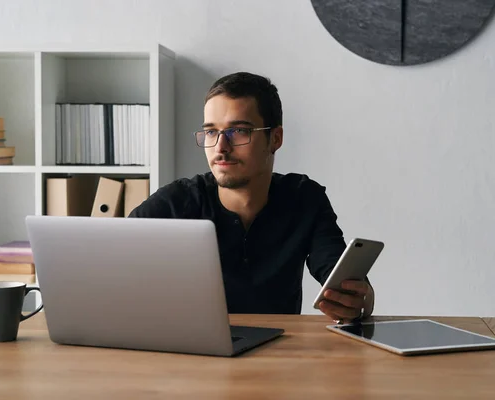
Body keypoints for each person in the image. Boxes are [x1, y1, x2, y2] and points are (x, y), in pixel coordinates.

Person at [129, 71, 374, 323]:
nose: (220, 147)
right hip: (193, 351)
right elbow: (115, 262)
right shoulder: (176, 201)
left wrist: (360, 300)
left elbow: (338, 273)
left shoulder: (304, 197)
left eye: (238, 131)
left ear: (275, 139)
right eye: (211, 132)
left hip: (278, 353)